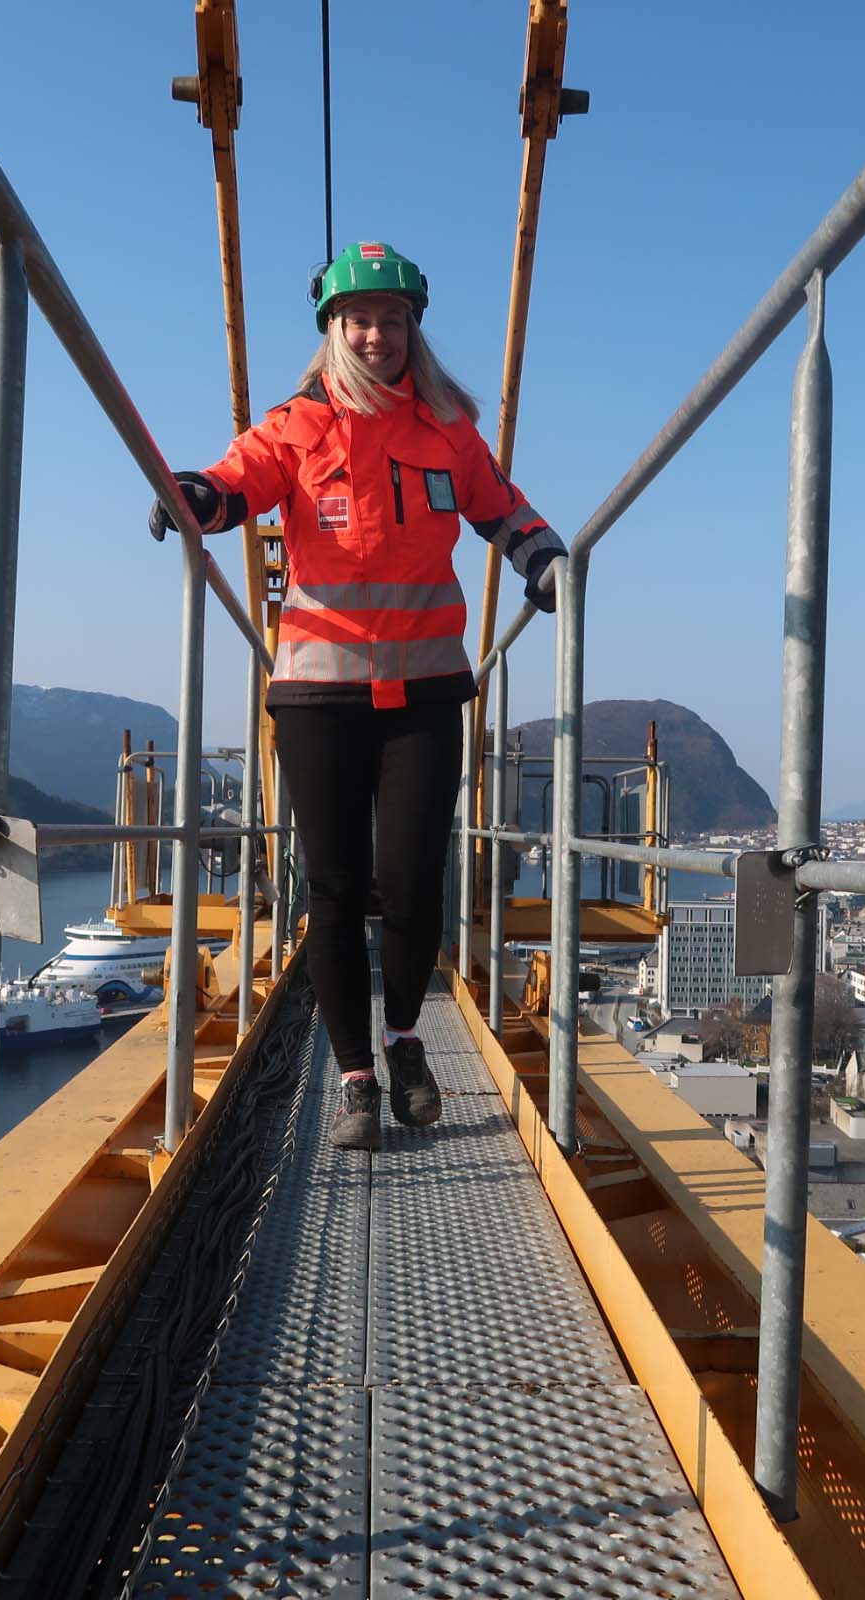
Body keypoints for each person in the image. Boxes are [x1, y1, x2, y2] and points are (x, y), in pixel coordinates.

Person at [151, 241, 564, 1149]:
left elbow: (501, 508)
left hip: (422, 689)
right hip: (318, 693)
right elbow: (236, 483)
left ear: (413, 328)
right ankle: (356, 1079)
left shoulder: (449, 427)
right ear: (333, 330)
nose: (375, 334)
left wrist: (544, 559)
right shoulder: (294, 425)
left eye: (391, 319)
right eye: (358, 319)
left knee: (415, 884)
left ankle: (406, 1036)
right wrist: (192, 496)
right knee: (335, 890)